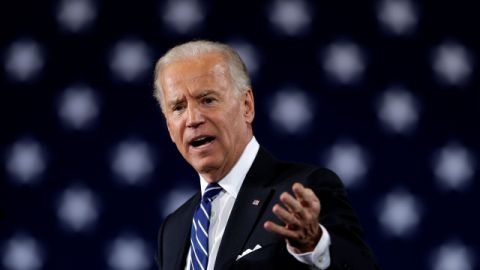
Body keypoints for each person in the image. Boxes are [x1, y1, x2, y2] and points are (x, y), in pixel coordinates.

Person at [153, 40, 378, 270]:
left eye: (207, 100)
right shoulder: (172, 230)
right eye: (178, 107)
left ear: (247, 106)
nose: (193, 119)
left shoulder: (302, 194)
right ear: (170, 127)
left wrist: (315, 248)